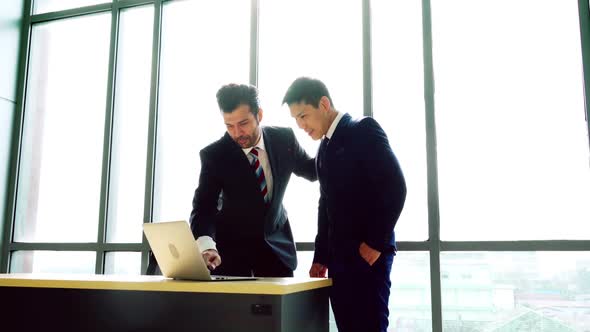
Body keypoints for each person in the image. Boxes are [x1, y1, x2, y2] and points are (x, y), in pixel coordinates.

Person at [147, 83, 316, 277]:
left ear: (259, 115)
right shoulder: (215, 155)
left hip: (277, 253)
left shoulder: (284, 139)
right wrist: (207, 246)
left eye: (243, 123)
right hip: (232, 257)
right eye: (229, 125)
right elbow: (203, 207)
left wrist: (331, 135)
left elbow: (312, 171)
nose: (237, 133)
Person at [282, 77, 406, 332]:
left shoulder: (363, 129)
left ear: (324, 104)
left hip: (368, 256)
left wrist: (375, 241)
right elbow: (325, 204)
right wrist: (321, 256)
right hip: (339, 263)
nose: (301, 125)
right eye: (296, 119)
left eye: (304, 115)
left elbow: (395, 186)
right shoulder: (324, 148)